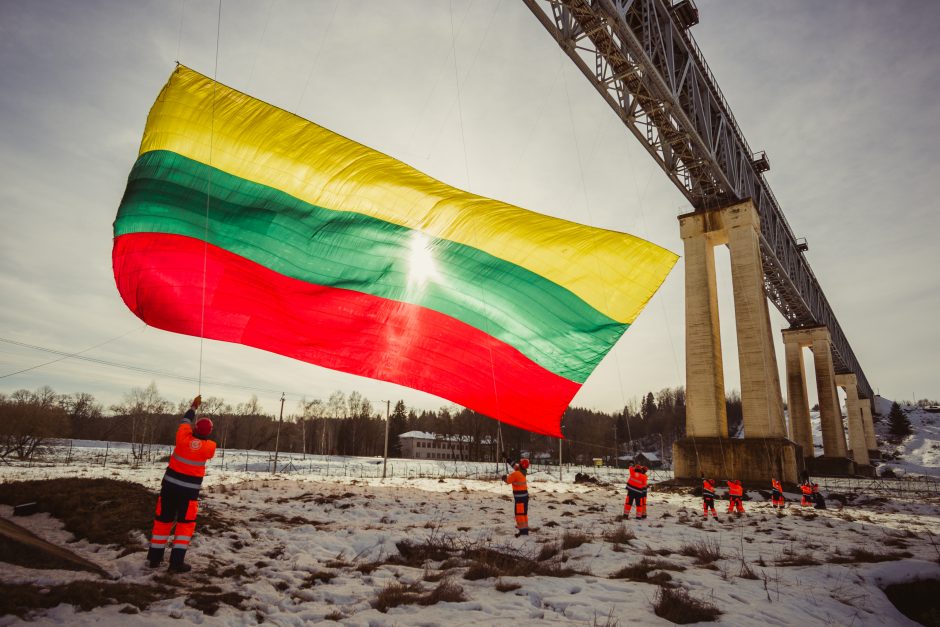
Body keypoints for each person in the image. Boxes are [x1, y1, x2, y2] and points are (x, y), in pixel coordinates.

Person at [147, 395, 216, 573]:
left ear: (194, 428)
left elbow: (185, 420)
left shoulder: (182, 437)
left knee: (162, 522)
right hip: (189, 495)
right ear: (208, 432)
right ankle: (176, 563)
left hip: (169, 489)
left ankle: (154, 559)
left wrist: (193, 406)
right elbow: (204, 444)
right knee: (185, 526)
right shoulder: (209, 447)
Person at [502, 461, 529, 536]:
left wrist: (504, 478)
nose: (517, 465)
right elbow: (515, 466)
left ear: (520, 465)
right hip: (525, 497)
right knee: (523, 514)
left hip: (520, 498)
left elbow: (508, 481)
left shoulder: (516, 473)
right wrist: (507, 459)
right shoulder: (523, 471)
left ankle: (523, 532)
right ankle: (525, 528)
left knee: (519, 514)